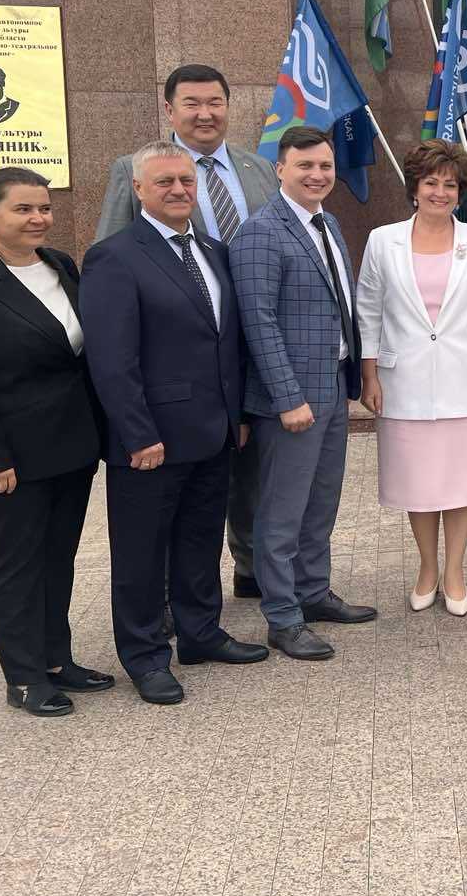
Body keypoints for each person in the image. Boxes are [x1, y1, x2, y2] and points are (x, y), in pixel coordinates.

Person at [81, 142, 268, 704]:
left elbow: (225, 342)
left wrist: (236, 415)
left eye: (186, 180)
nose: (179, 190)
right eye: (164, 182)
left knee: (200, 539)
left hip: (212, 430)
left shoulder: (211, 248)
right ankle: (144, 656)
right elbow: (112, 359)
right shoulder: (114, 256)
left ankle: (201, 633)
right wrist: (137, 434)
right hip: (151, 439)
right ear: (138, 189)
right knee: (142, 554)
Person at [0, 168, 110, 717]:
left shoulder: (60, 266)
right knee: (16, 564)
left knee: (58, 558)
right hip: (12, 458)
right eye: (23, 209)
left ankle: (56, 660)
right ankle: (24, 676)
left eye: (44, 208)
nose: (38, 219)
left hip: (72, 446)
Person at [96, 64, 279, 600]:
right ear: (170, 109)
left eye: (215, 102)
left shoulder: (257, 167)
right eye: (192, 103)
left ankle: (250, 567)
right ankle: (168, 596)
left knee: (246, 463)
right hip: (175, 354)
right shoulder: (134, 168)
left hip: (246, 341)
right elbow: (113, 251)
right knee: (181, 491)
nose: (205, 113)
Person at [230, 125, 376, 661]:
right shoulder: (260, 232)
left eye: (325, 166)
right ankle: (283, 616)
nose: (317, 175)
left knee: (321, 501)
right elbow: (259, 322)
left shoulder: (327, 223)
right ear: (280, 170)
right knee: (282, 510)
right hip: (290, 398)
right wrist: (287, 398)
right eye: (305, 166)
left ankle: (313, 592)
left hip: (332, 384)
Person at [356, 140, 467, 617]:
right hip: (402, 383)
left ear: (460, 191)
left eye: (449, 184)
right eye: (431, 183)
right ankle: (427, 568)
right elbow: (368, 310)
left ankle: (455, 571)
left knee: (462, 482)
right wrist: (369, 375)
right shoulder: (382, 240)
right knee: (419, 484)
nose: (440, 192)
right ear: (415, 187)